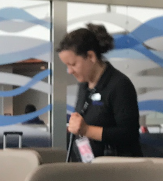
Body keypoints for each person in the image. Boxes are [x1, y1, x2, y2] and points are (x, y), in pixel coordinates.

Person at [58, 23, 143, 160]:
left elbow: (129, 134)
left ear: (91, 56)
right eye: (67, 66)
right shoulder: (84, 86)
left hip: (118, 170)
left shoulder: (119, 85)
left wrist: (87, 130)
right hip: (91, 168)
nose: (69, 71)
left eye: (73, 64)